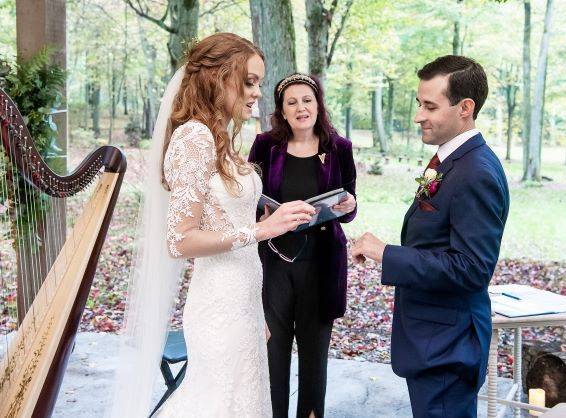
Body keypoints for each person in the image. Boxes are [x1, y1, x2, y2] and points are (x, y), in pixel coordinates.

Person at [109, 33, 316, 418]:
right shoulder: (194, 137)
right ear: (219, 77)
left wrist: (273, 218)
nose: (257, 92)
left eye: (258, 82)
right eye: (249, 81)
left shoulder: (220, 137)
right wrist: (262, 231)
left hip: (243, 299)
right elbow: (181, 240)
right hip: (218, 306)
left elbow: (223, 215)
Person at [352, 55, 510, 418]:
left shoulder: (475, 172)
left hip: (448, 346)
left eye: (430, 106)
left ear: (465, 108)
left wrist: (386, 253)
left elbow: (472, 269)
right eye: (419, 104)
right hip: (433, 339)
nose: (418, 116)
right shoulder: (450, 160)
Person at [248, 73, 357, 418]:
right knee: (272, 351)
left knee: (314, 357)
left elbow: (349, 205)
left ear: (318, 104)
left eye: (307, 100)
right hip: (274, 263)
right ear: (281, 110)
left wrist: (349, 206)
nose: (301, 108)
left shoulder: (340, 147)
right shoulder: (265, 145)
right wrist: (263, 214)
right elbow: (249, 201)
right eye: (291, 102)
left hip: (321, 264)